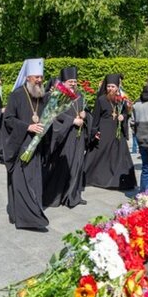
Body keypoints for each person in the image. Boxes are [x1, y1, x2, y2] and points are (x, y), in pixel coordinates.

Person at [2, 58, 50, 231]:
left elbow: (46, 117)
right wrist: (28, 127)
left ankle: (34, 210)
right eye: (36, 77)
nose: (39, 80)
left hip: (36, 146)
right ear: (28, 77)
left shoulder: (42, 96)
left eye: (41, 77)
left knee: (34, 181)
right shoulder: (16, 95)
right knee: (22, 182)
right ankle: (26, 218)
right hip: (20, 146)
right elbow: (8, 119)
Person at [43, 66, 89, 208]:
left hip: (78, 136)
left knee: (77, 164)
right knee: (64, 165)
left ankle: (73, 196)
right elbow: (53, 113)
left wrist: (84, 115)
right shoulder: (57, 95)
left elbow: (85, 111)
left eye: (75, 81)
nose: (73, 84)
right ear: (63, 82)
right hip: (65, 135)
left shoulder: (80, 95)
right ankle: (57, 196)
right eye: (70, 81)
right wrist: (72, 121)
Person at [84, 74, 137, 190]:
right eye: (108, 86)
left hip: (117, 133)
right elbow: (95, 117)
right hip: (104, 131)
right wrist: (94, 132)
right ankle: (96, 178)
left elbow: (125, 113)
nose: (110, 89)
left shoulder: (121, 100)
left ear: (117, 87)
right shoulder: (101, 99)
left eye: (113, 86)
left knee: (119, 156)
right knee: (100, 155)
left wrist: (123, 116)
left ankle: (117, 181)